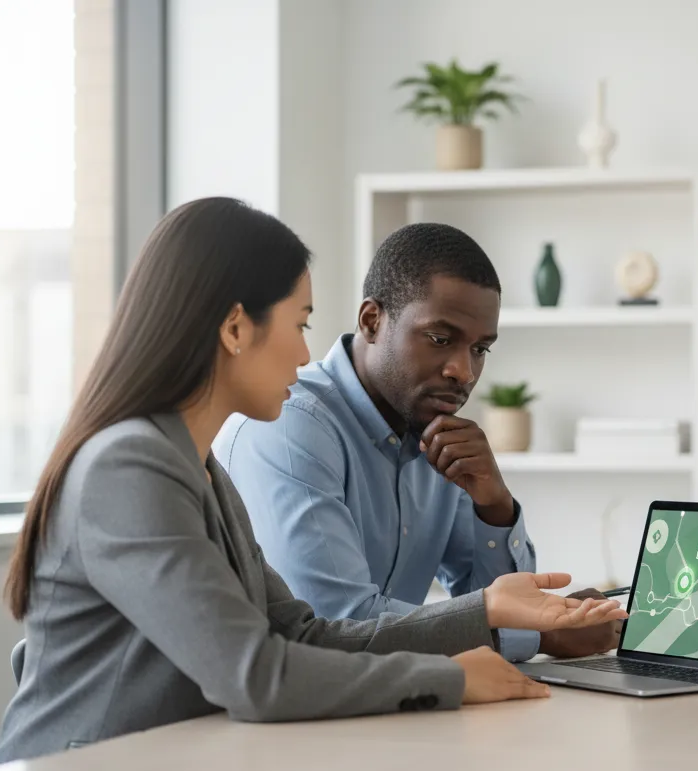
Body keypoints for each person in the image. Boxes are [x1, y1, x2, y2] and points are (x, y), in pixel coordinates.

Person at [0, 199, 625, 765]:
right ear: (235, 329)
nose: (305, 354)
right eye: (298, 325)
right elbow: (255, 673)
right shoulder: (129, 466)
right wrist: (452, 678)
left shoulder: (201, 469)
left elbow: (301, 633)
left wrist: (488, 607)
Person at [215, 222, 619, 663]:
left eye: (480, 349)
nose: (463, 372)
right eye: (440, 339)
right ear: (372, 321)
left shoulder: (435, 434)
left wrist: (495, 505)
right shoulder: (289, 425)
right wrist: (540, 634)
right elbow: (337, 629)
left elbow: (499, 601)